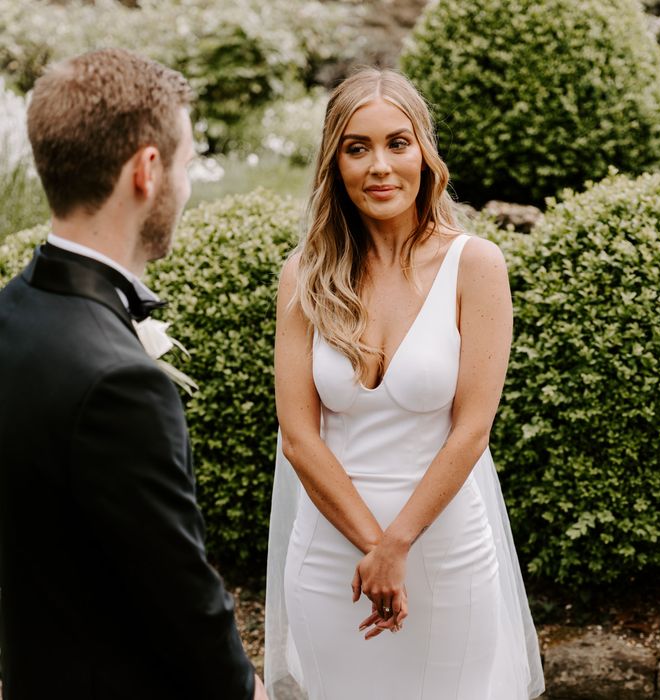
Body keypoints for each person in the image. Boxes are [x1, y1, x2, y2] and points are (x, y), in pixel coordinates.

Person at [265, 68, 545, 699]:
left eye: (398, 142)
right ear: (335, 163)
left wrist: (398, 546)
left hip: (445, 555)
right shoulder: (304, 276)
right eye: (357, 148)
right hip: (331, 561)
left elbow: (472, 429)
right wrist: (375, 549)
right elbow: (298, 437)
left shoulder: (475, 266)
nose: (380, 167)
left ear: (425, 151)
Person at [0, 49, 267, 700]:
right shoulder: (122, 381)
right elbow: (179, 592)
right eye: (185, 163)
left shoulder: (12, 310)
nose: (189, 183)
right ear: (147, 170)